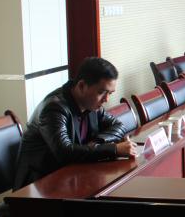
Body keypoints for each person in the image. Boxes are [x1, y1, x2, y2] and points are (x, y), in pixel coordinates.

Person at [13, 57, 138, 189]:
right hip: (38, 186)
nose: (106, 99)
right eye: (101, 92)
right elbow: (65, 152)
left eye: (110, 93)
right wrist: (114, 149)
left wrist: (98, 142)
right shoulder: (54, 108)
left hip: (71, 177)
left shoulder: (92, 105)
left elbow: (118, 126)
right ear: (81, 86)